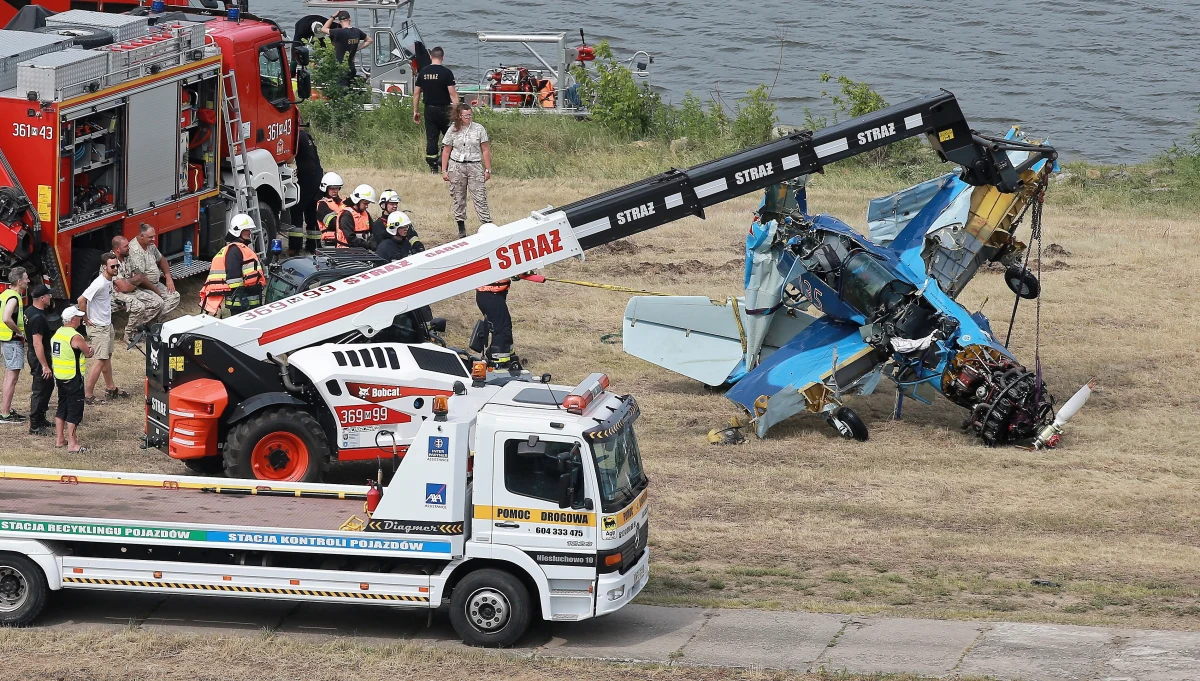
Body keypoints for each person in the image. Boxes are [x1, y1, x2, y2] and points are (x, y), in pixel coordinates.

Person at [78, 252, 128, 404]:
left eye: (117, 266)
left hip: (107, 325)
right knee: (100, 359)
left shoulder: (109, 281)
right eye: (112, 266)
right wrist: (85, 318)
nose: (115, 268)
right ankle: (88, 395)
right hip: (98, 327)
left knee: (107, 358)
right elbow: (81, 300)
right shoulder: (99, 283)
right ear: (104, 267)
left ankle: (111, 388)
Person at [441, 102, 492, 238]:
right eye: (465, 115)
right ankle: (461, 228)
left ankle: (487, 224)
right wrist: (444, 170)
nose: (468, 117)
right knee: (458, 197)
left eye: (470, 115)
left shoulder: (479, 129)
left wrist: (488, 169)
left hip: (474, 165)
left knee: (480, 196)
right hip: (457, 165)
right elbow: (446, 150)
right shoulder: (453, 129)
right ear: (459, 115)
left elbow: (485, 149)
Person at [200, 214, 265, 317]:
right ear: (238, 231)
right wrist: (242, 297)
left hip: (248, 302)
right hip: (240, 305)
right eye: (247, 230)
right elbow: (233, 278)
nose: (250, 232)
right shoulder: (234, 250)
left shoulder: (240, 249)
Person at [51, 305, 93, 453]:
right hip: (73, 378)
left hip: (60, 377)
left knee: (62, 407)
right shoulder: (75, 336)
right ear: (73, 319)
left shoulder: (58, 333)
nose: (81, 319)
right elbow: (87, 353)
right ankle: (73, 444)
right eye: (79, 317)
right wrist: (90, 349)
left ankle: (60, 439)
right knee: (74, 411)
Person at [413, 46, 458, 174]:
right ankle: (443, 159)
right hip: (445, 109)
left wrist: (415, 111)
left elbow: (416, 94)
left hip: (429, 109)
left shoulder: (423, 72)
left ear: (431, 57)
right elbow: (452, 94)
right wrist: (457, 111)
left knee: (432, 138)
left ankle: (433, 166)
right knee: (450, 136)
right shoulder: (447, 73)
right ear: (442, 57)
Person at [473, 223, 515, 362]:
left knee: (503, 324)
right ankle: (499, 359)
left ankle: (503, 353)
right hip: (491, 296)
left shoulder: (486, 251)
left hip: (490, 296)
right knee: (501, 327)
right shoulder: (490, 254)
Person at [111, 235, 164, 344]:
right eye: (126, 246)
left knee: (159, 303)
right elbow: (124, 288)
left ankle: (140, 328)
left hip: (132, 290)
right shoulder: (110, 262)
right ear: (117, 249)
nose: (129, 248)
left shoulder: (127, 257)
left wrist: (130, 282)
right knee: (139, 306)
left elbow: (139, 276)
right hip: (115, 293)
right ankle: (129, 335)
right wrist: (133, 281)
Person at [126, 224, 181, 318]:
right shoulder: (135, 251)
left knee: (174, 296)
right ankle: (143, 323)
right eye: (150, 237)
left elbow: (161, 259)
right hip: (143, 287)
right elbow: (140, 278)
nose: (154, 239)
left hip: (155, 283)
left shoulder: (150, 245)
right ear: (141, 236)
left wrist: (168, 277)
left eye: (154, 236)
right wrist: (156, 290)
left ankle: (155, 322)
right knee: (157, 303)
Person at [25, 284, 55, 435]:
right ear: (42, 298)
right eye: (49, 295)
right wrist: (44, 365)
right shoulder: (37, 317)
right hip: (38, 357)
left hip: (34, 354)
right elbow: (37, 343)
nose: (51, 297)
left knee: (48, 385)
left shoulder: (29, 311)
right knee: (40, 388)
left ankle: (41, 417)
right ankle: (35, 425)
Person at [289, 124, 324, 254]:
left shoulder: (297, 137)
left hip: (308, 177)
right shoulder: (306, 136)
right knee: (310, 210)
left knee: (297, 208)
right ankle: (313, 245)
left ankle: (295, 246)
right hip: (317, 176)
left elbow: (289, 158)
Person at [0, 267, 28, 424]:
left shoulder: (4, 294)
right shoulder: (14, 297)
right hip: (12, 340)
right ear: (19, 281)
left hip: (5, 340)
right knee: (12, 378)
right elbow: (6, 318)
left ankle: (6, 409)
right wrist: (19, 332)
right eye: (26, 278)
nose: (28, 280)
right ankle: (5, 414)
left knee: (8, 377)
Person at [321, 11, 371, 87]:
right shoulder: (357, 32)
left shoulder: (338, 32)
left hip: (341, 69)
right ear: (349, 20)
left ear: (340, 22)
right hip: (351, 68)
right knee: (351, 90)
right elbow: (369, 40)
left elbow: (323, 29)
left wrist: (333, 17)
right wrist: (357, 48)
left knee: (342, 93)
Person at [337, 184, 376, 249]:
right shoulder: (346, 215)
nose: (367, 206)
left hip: (361, 250)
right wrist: (367, 245)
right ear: (357, 201)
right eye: (365, 203)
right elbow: (351, 238)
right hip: (346, 251)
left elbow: (373, 230)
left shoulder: (365, 213)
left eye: (368, 203)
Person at [316, 171, 345, 248]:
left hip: (344, 241)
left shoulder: (344, 202)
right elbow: (332, 223)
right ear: (325, 188)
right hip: (330, 243)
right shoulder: (322, 205)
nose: (335, 191)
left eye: (337, 188)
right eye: (332, 188)